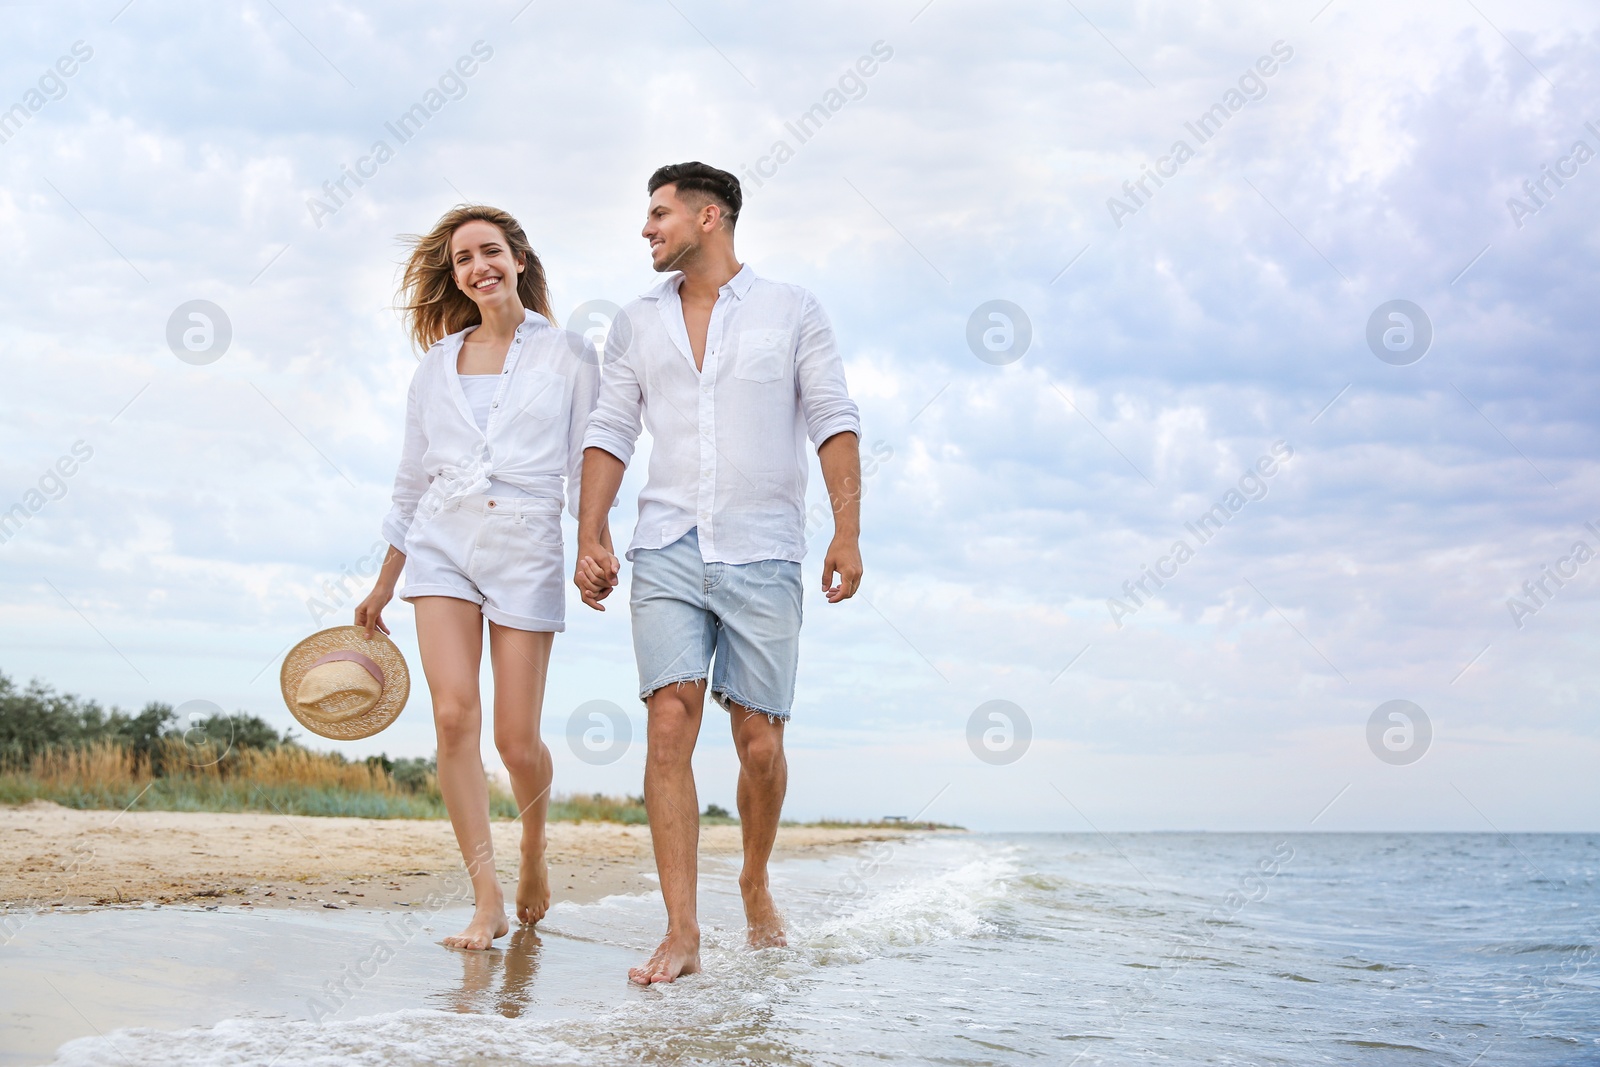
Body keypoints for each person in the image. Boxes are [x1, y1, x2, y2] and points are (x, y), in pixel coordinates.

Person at [574, 162, 864, 984]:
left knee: (759, 743)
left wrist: (847, 530)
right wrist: (591, 529)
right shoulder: (633, 322)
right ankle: (683, 929)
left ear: (710, 217)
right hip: (666, 540)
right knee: (670, 721)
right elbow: (610, 426)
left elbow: (833, 418)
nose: (646, 228)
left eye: (659, 214)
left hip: (766, 547)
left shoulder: (793, 309)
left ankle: (755, 876)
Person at [355, 204, 607, 950]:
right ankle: (486, 896)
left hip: (526, 543)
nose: (478, 267)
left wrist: (594, 541)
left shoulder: (569, 355)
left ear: (518, 259)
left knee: (516, 738)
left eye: (489, 252)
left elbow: (586, 461)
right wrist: (381, 582)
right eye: (464, 259)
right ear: (457, 276)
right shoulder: (434, 366)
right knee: (454, 717)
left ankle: (533, 847)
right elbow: (410, 484)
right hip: (441, 546)